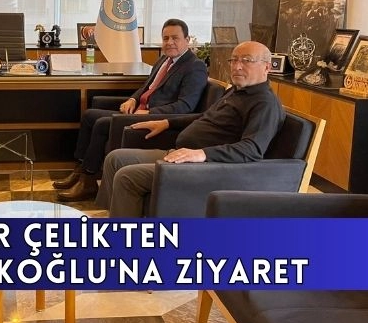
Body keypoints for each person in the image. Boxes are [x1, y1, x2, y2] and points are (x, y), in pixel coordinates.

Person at [97, 41, 284, 217]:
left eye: (247, 60)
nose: (237, 66)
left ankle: (123, 235)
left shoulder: (264, 103)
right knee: (116, 158)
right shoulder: (236, 91)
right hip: (181, 156)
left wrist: (202, 154)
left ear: (267, 67)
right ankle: (112, 218)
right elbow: (205, 117)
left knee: (127, 177)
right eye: (234, 60)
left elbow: (252, 149)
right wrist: (167, 123)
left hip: (205, 169)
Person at [55, 18, 208, 202]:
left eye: (175, 38)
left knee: (102, 124)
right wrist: (133, 99)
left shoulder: (195, 66)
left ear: (187, 40)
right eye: (165, 38)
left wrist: (150, 113)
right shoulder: (164, 60)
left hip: (155, 119)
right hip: (138, 111)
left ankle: (88, 181)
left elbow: (185, 106)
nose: (169, 42)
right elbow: (147, 87)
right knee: (89, 115)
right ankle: (80, 169)